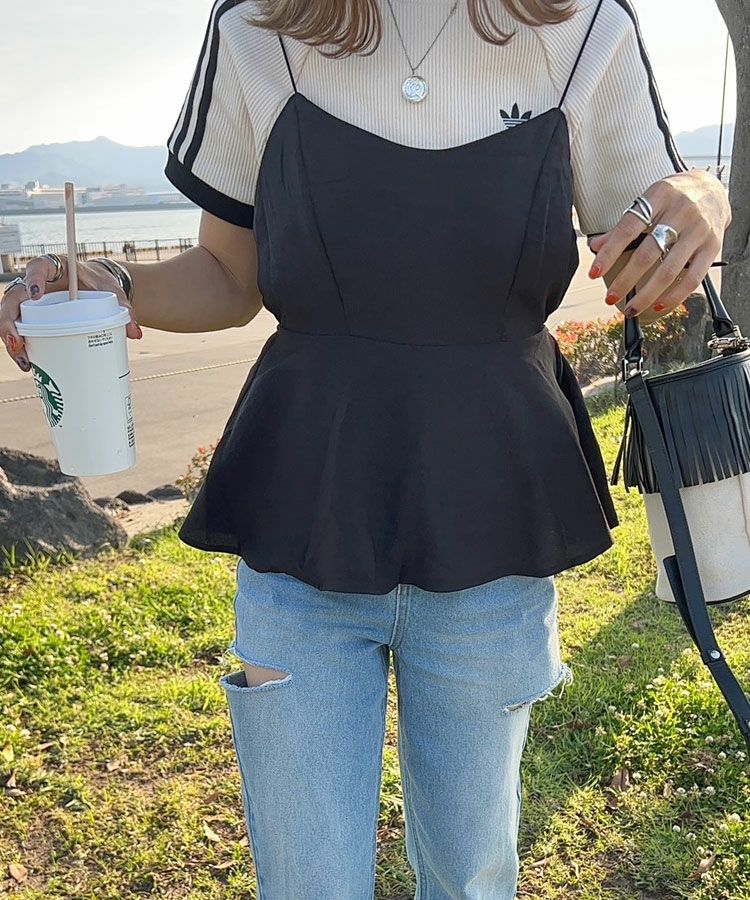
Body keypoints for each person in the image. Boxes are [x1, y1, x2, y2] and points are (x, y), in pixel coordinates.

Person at [1, 0, 731, 896]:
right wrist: (108, 285)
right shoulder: (257, 26)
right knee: (306, 882)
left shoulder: (584, 28)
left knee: (470, 878)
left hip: (491, 520)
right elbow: (229, 277)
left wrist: (706, 199)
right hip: (303, 516)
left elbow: (658, 231)